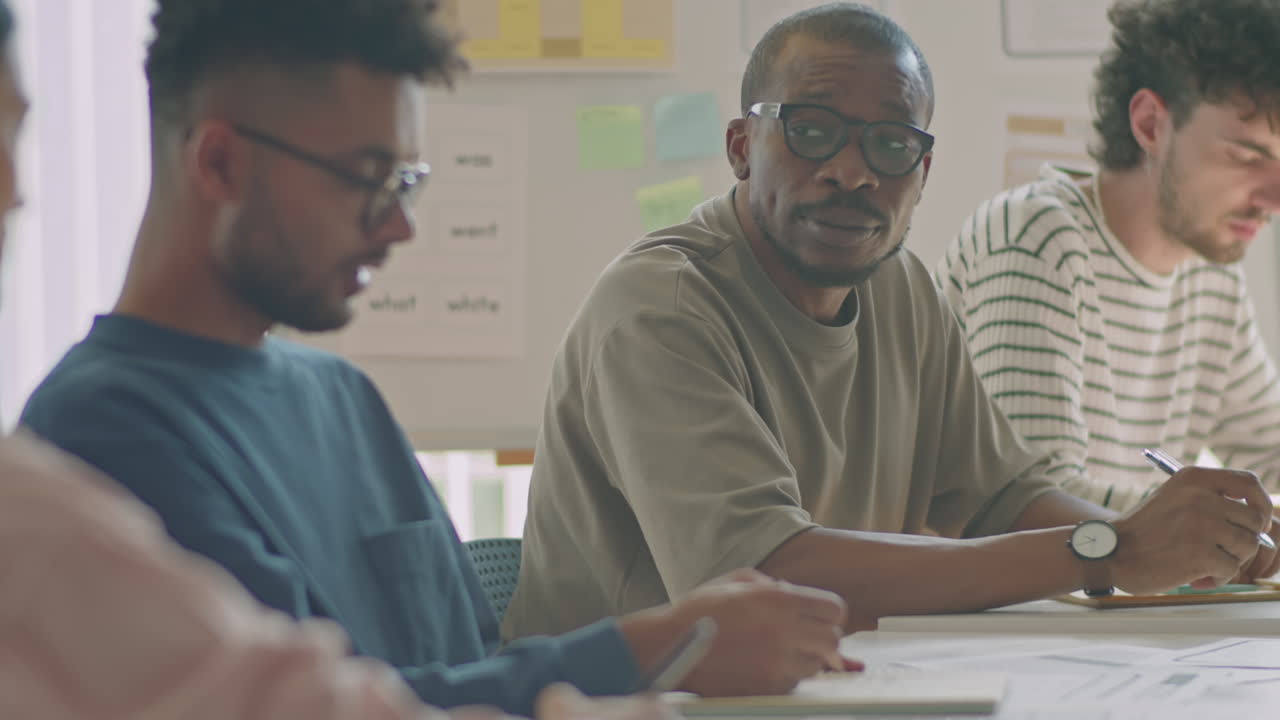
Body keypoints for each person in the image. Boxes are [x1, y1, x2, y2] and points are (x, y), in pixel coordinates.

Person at [17, 0, 854, 714]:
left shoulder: (344, 399)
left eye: (406, 181)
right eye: (367, 177)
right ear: (219, 161)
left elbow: (466, 667)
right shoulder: (99, 437)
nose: (399, 225)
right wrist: (646, 649)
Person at [503, 1, 1280, 642]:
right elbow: (768, 577)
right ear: (742, 146)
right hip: (629, 705)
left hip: (830, 685)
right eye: (811, 130)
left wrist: (1187, 548)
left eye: (892, 143)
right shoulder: (660, 308)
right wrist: (1110, 547)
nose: (853, 170)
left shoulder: (899, 284)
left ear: (923, 170)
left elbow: (1002, 494)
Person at [934, 0, 1280, 510]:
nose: (1274, 197)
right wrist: (1219, 524)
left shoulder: (1210, 275)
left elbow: (1271, 452)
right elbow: (1033, 501)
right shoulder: (1036, 239)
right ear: (1150, 125)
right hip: (1010, 590)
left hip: (1099, 589)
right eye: (1247, 156)